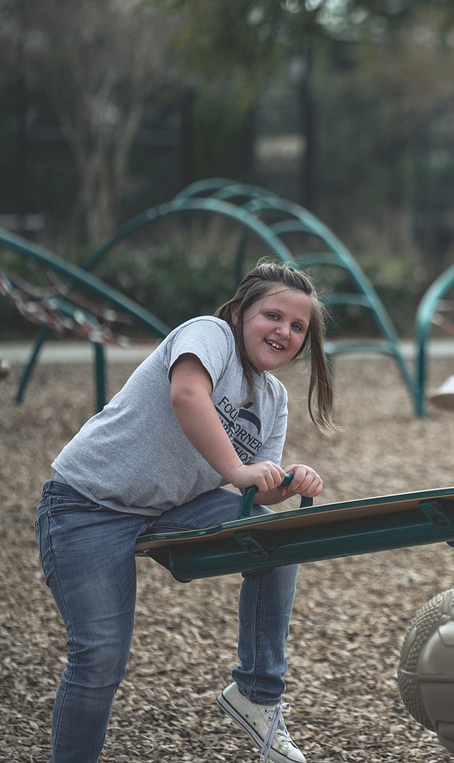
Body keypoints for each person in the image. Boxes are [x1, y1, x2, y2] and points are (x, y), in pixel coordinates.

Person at [36, 260, 338, 763]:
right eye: (273, 316)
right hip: (85, 503)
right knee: (100, 657)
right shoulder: (210, 334)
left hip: (169, 508)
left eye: (298, 326)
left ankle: (256, 694)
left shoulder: (273, 397)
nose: (284, 331)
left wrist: (286, 483)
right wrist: (241, 472)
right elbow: (187, 396)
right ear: (241, 313)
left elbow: (255, 485)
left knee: (279, 538)